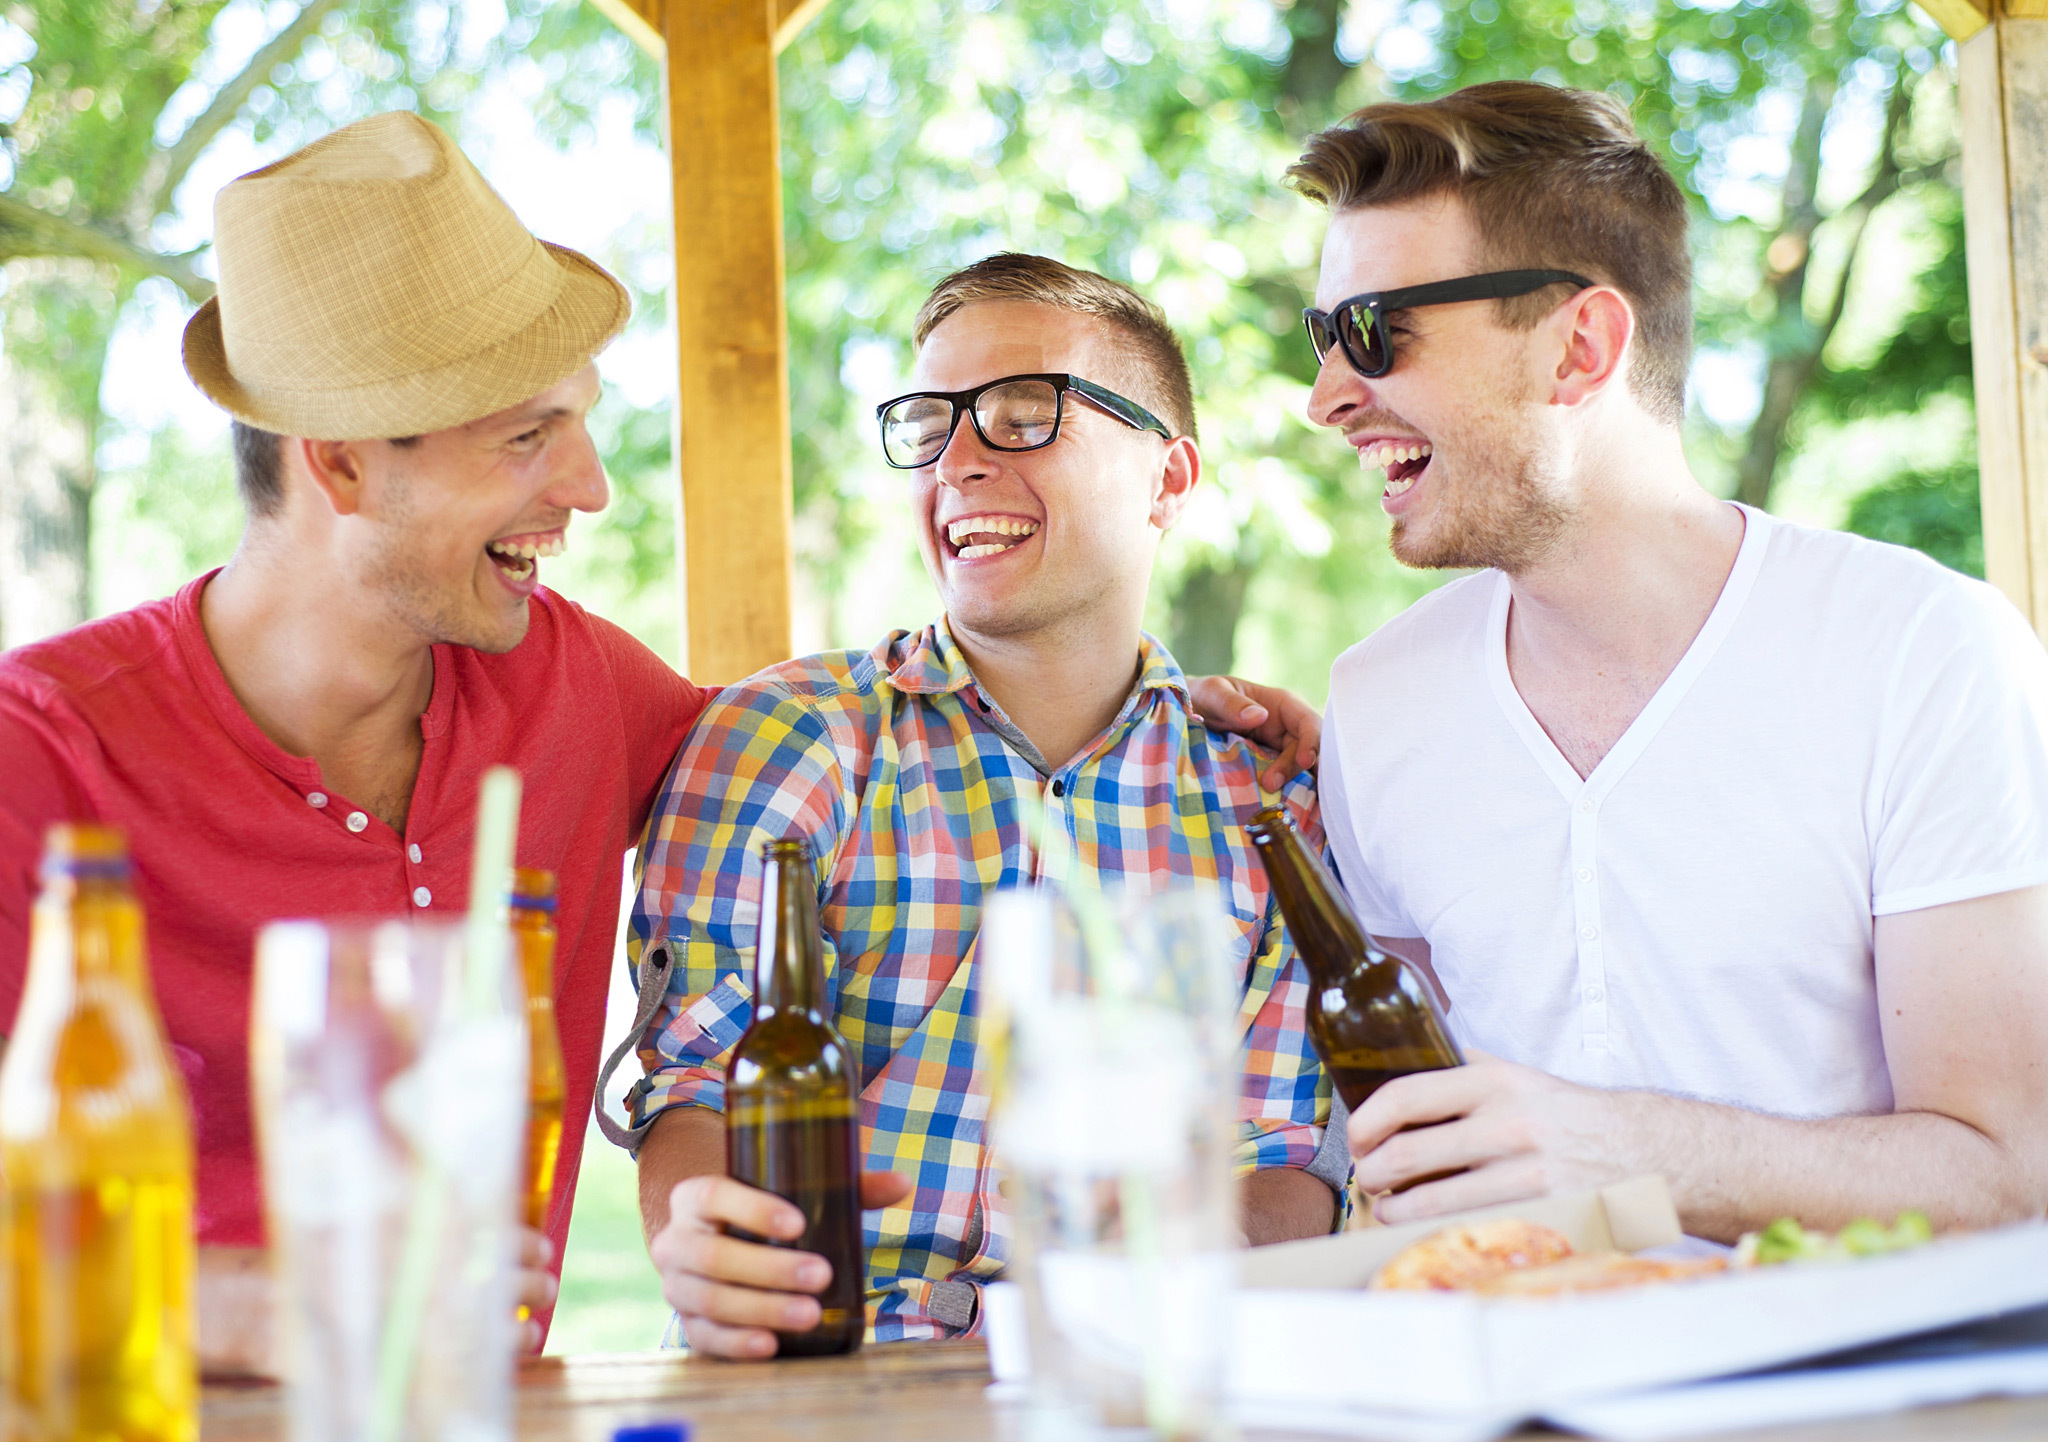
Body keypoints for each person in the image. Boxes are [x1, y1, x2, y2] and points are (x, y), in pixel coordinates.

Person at [0, 118, 1319, 1370]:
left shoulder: (576, 691)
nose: (588, 486)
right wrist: (237, 1304)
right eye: (528, 436)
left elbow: (842, 783)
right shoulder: (37, 755)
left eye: (577, 421)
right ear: (339, 463)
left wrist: (1322, 757)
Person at [1291, 81, 2048, 1241]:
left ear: (1578, 348)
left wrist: (1617, 1152)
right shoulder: (1373, 701)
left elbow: (2009, 1177)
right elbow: (1419, 1148)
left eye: (1372, 332)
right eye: (1321, 336)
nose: (1326, 397)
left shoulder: (1920, 652)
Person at [625, 254, 1346, 1360]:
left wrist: (1136, 1283)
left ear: (1166, 479)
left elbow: (1277, 1160)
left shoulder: (1260, 797)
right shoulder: (792, 737)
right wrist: (710, 1247)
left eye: (1023, 415)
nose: (956, 462)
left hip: (1120, 1381)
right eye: (927, 424)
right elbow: (698, 1081)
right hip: (823, 1385)